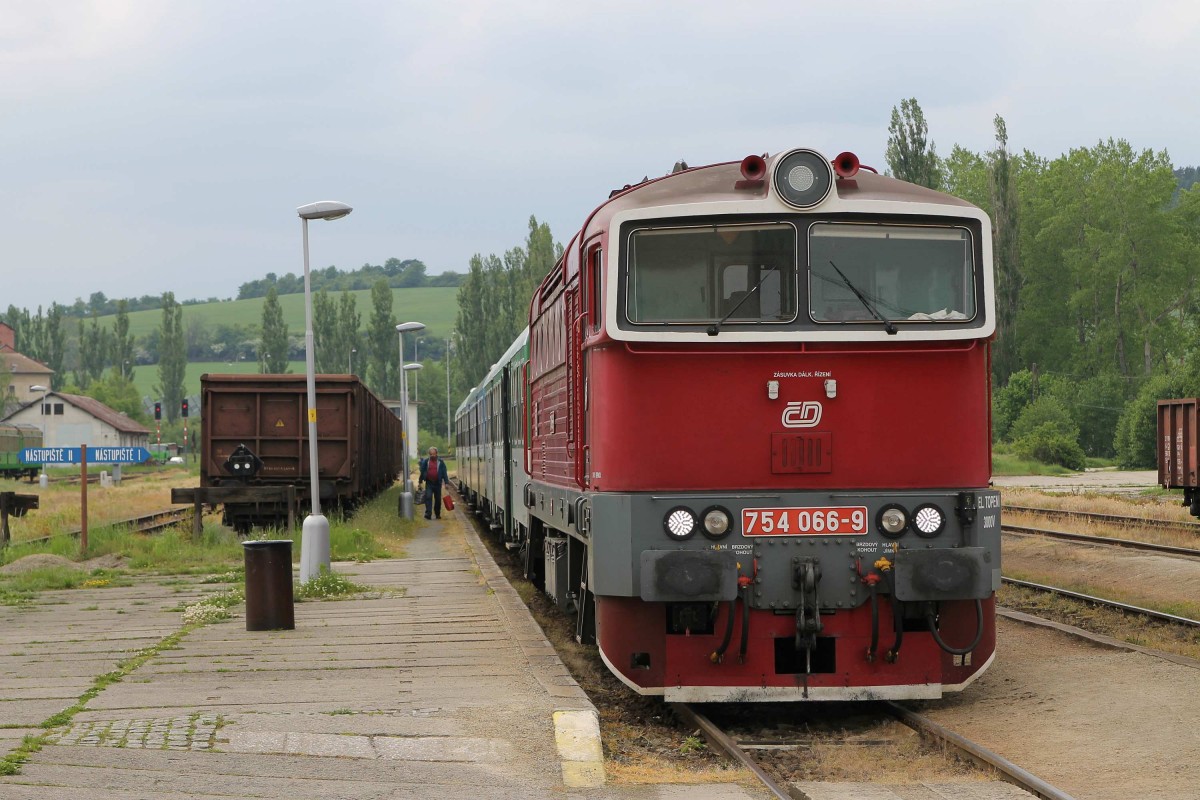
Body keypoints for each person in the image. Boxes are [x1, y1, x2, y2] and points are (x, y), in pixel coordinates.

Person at [417, 446, 449, 520]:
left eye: (433, 454)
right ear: (429, 454)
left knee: (438, 499)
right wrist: (420, 481)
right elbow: (422, 472)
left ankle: (437, 513)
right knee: (428, 497)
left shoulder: (441, 462)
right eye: (431, 454)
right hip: (429, 483)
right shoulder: (426, 461)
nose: (432, 456)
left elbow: (444, 472)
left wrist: (446, 482)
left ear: (436, 454)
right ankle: (428, 514)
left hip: (438, 483)